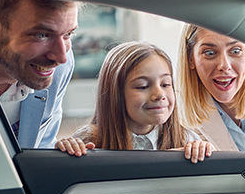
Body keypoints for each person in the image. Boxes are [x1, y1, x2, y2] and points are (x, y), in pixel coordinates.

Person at [56, 42, 213, 163]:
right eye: (143, 86)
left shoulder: (188, 140)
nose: (159, 94)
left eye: (165, 84)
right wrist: (65, 153)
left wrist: (206, 152)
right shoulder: (89, 140)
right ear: (116, 93)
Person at [0, 0, 79, 148]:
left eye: (68, 34)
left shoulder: (59, 68)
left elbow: (42, 145)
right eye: (42, 35)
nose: (61, 58)